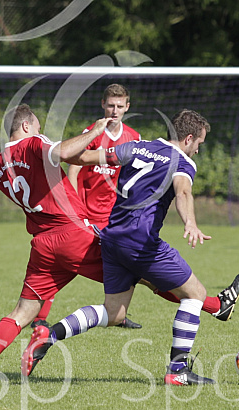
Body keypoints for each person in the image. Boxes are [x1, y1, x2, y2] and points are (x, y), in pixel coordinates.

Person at [0, 105, 239, 385]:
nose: (40, 132)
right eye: (37, 127)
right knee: (145, 274)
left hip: (42, 245)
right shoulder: (35, 145)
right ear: (26, 127)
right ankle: (212, 310)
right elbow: (65, 152)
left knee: (25, 312)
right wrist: (94, 132)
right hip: (75, 235)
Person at [23, 109, 239, 386]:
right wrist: (190, 222)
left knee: (114, 313)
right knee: (195, 294)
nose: (198, 150)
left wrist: (57, 153)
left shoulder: (137, 147)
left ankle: (48, 336)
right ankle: (178, 370)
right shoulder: (183, 162)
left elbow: (85, 157)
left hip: (112, 237)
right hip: (142, 243)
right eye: (199, 143)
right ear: (188, 139)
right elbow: (183, 191)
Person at [54, 83, 143, 329]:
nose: (114, 111)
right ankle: (39, 312)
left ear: (127, 107)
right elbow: (73, 168)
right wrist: (73, 208)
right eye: (110, 105)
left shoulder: (134, 137)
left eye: (119, 106)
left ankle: (118, 315)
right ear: (103, 105)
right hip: (85, 213)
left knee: (124, 263)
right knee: (68, 262)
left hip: (115, 216)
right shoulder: (92, 132)